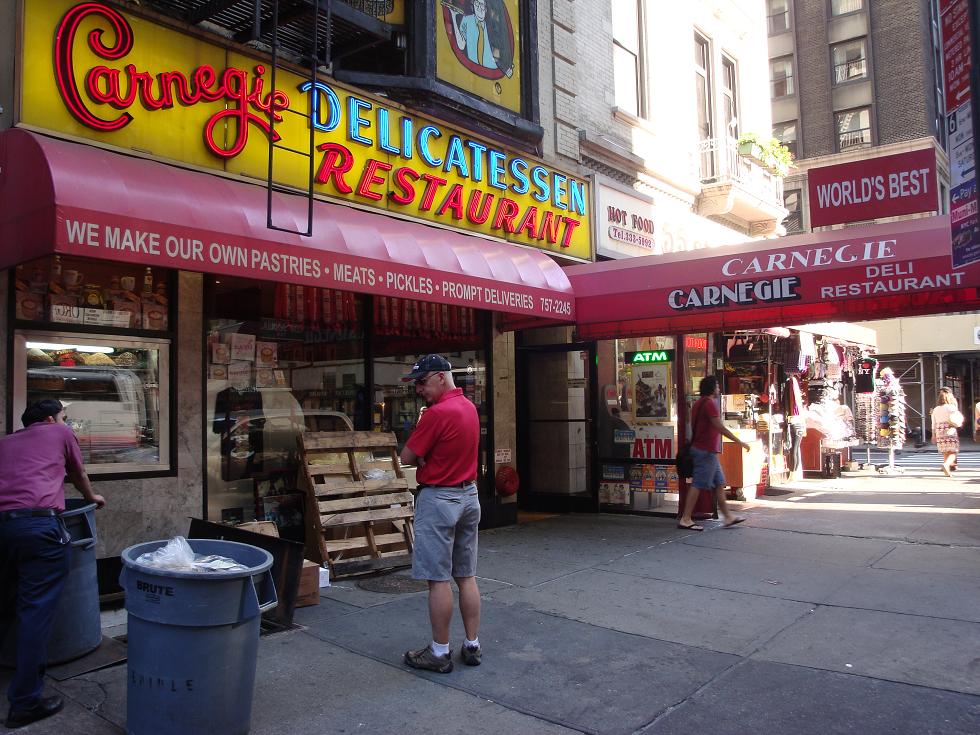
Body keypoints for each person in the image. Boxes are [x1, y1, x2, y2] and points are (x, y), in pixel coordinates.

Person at [0, 399, 106, 729]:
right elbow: (77, 473)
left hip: (3, 527)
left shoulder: (5, 441)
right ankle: (25, 702)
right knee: (35, 611)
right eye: (64, 416)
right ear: (50, 418)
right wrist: (92, 498)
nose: (66, 421)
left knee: (4, 605)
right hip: (39, 528)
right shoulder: (58, 432)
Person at [399, 355, 481, 673]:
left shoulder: (436, 414)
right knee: (467, 575)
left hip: (439, 498)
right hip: (469, 495)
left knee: (438, 580)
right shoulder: (469, 408)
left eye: (422, 382)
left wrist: (423, 459)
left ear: (440, 377)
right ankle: (472, 644)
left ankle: (439, 651)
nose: (419, 389)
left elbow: (407, 457)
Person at [677, 376, 751, 531]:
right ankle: (685, 518)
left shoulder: (697, 404)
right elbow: (720, 427)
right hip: (706, 451)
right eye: (717, 386)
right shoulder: (710, 404)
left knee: (718, 483)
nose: (719, 389)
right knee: (698, 484)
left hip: (704, 450)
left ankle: (728, 517)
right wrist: (740, 442)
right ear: (712, 388)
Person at [931, 387, 961, 477]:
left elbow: (933, 423)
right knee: (953, 451)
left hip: (939, 430)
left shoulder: (935, 409)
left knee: (945, 451)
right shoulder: (951, 408)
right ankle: (946, 464)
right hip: (949, 429)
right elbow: (957, 418)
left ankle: (947, 470)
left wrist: (933, 435)